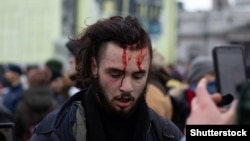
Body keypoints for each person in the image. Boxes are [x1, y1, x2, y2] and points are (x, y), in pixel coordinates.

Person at [30, 15, 183, 141]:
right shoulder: (54, 133)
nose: (127, 87)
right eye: (115, 74)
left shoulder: (167, 133)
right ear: (94, 67)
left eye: (138, 75)